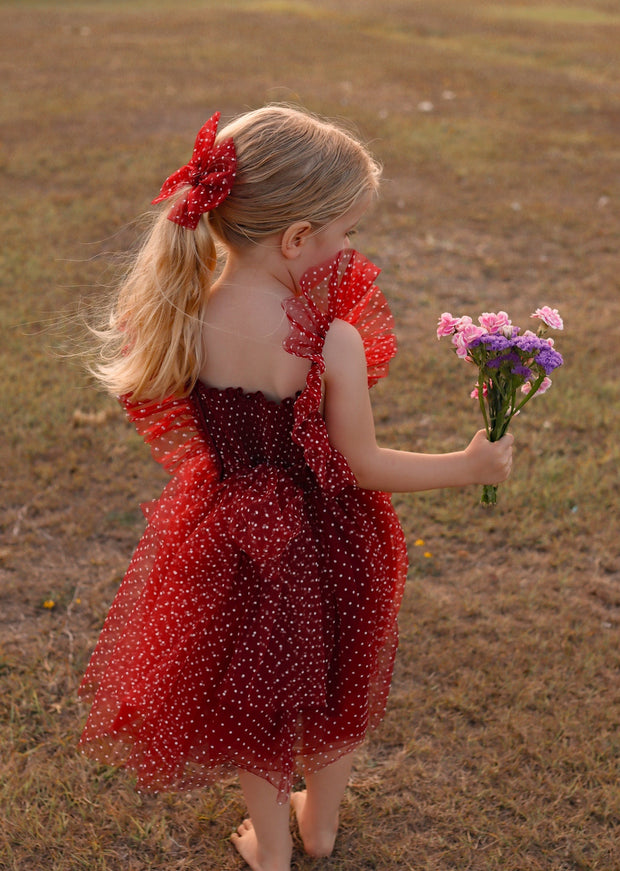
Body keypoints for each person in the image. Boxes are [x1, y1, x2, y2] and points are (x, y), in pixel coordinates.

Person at [78, 106, 513, 871]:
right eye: (347, 232)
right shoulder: (328, 338)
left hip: (226, 536)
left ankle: (273, 848)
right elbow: (362, 464)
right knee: (339, 681)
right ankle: (321, 826)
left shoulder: (187, 311)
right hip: (333, 538)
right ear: (297, 239)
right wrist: (466, 464)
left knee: (257, 693)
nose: (351, 249)